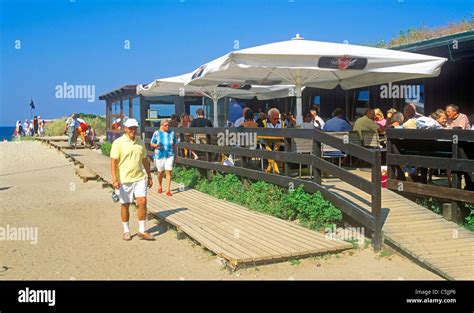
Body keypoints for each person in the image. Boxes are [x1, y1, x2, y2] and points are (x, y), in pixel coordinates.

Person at [110, 118, 154, 241]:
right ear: (125, 129)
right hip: (124, 179)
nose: (133, 130)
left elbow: (145, 160)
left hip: (139, 177)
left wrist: (149, 176)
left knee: (143, 202)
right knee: (125, 205)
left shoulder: (140, 142)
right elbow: (113, 162)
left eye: (135, 128)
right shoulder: (118, 142)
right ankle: (126, 230)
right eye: (130, 128)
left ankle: (142, 230)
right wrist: (114, 179)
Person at [150, 119, 178, 197]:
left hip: (169, 154)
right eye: (166, 125)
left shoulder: (172, 133)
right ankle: (160, 185)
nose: (167, 126)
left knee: (168, 171)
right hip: (159, 155)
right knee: (160, 172)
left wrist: (176, 155)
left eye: (168, 125)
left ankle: (168, 190)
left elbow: (175, 145)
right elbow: (151, 143)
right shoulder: (157, 133)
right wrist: (156, 145)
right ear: (161, 125)